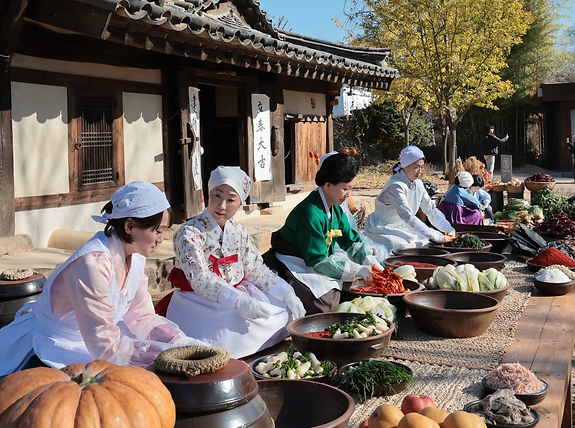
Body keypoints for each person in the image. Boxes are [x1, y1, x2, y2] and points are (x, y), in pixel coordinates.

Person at [0, 181, 201, 375]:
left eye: (163, 231)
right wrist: (165, 354)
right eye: (157, 230)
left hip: (96, 343)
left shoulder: (136, 257)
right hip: (54, 345)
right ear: (130, 226)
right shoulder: (93, 263)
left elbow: (141, 316)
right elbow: (105, 345)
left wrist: (180, 342)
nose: (160, 238)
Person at [159, 166, 305, 359]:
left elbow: (256, 270)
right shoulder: (188, 233)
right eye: (217, 195)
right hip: (199, 299)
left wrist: (287, 293)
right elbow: (201, 278)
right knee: (226, 327)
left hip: (238, 291)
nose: (222, 205)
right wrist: (238, 301)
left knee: (280, 311)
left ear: (240, 203)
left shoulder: (239, 232)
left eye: (231, 199)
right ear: (207, 194)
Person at [268, 152, 378, 313]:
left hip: (318, 260)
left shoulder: (335, 208)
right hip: (294, 261)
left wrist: (371, 264)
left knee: (354, 286)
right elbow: (317, 261)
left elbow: (351, 241)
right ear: (328, 185)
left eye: (351, 188)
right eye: (345, 188)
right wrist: (359, 270)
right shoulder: (310, 213)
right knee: (326, 303)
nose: (349, 194)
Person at [363, 145, 455, 256]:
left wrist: (448, 229)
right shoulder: (396, 186)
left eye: (421, 167)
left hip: (402, 226)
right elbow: (407, 216)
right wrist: (436, 235)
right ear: (405, 166)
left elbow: (430, 210)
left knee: (424, 243)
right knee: (403, 247)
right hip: (382, 227)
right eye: (416, 167)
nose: (420, 171)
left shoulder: (418, 184)